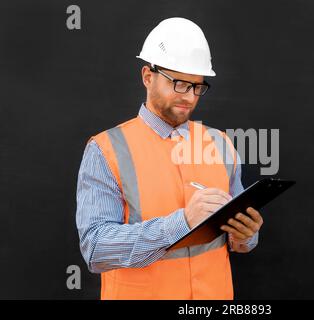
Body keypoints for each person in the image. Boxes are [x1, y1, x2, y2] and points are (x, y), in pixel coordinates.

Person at [76, 17, 263, 300]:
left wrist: (246, 235)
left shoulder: (221, 144)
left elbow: (241, 242)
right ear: (147, 77)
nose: (189, 96)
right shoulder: (106, 149)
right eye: (178, 83)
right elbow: (96, 249)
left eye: (197, 86)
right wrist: (183, 222)